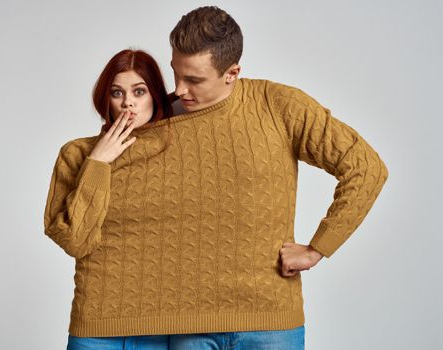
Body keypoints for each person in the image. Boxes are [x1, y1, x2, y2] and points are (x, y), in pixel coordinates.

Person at [44, 7, 388, 350]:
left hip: (271, 320)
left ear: (232, 73)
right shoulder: (159, 120)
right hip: (190, 327)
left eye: (194, 80)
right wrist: (96, 162)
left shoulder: (279, 106)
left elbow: (365, 167)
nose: (179, 90)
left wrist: (318, 249)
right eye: (175, 73)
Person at [43, 49, 174, 349]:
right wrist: (97, 163)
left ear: (155, 94)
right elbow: (76, 241)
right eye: (117, 92)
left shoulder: (176, 152)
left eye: (139, 91)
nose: (128, 102)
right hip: (95, 327)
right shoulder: (76, 154)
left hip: (164, 328)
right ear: (107, 98)